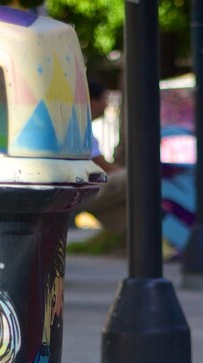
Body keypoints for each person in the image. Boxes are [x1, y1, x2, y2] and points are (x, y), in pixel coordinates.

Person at [70, 79, 128, 252]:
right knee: (139, 178)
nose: (106, 104)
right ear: (93, 101)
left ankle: (148, 244)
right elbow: (103, 166)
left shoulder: (78, 124)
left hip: (81, 187)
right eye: (104, 99)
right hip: (85, 187)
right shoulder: (80, 126)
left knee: (126, 212)